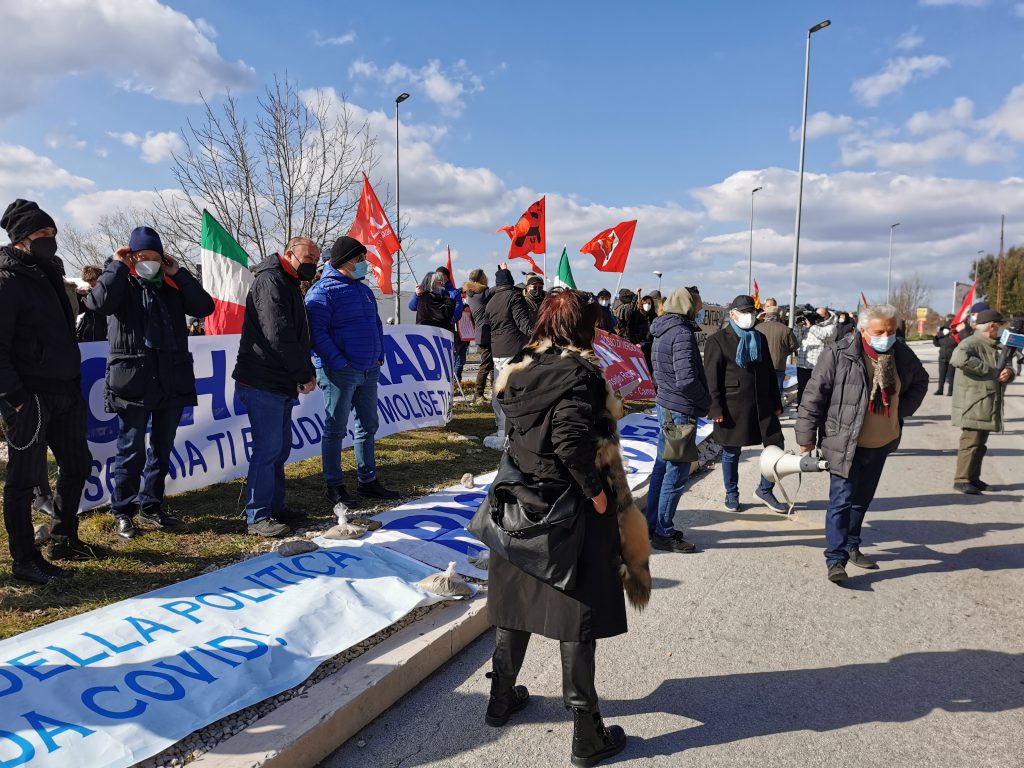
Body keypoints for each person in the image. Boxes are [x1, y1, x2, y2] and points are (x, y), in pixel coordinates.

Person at [486, 289, 650, 767]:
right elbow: (571, 442)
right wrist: (598, 495)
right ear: (582, 327)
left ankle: (500, 699)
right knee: (577, 616)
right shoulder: (579, 374)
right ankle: (586, 733)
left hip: (519, 502)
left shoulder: (519, 366)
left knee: (514, 602)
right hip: (568, 509)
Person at [85, 227, 215, 539]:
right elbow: (97, 303)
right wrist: (115, 265)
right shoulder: (120, 284)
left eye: (155, 258)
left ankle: (152, 504)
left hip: (170, 379)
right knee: (131, 449)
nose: (149, 263)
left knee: (162, 447)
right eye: (142, 257)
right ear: (131, 257)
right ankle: (123, 510)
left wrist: (179, 273)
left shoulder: (171, 287)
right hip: (132, 382)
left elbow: (204, 308)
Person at [796, 304, 928, 583]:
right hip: (845, 442)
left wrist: (899, 410)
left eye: (892, 331)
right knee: (841, 501)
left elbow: (921, 381)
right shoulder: (838, 354)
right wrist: (805, 438)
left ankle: (852, 545)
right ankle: (836, 559)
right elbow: (813, 397)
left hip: (882, 443)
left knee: (862, 500)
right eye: (880, 331)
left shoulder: (900, 354)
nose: (887, 336)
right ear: (863, 330)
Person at [0, 199, 96, 583]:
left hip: (64, 391)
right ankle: (24, 559)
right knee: (23, 481)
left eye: (53, 234)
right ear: (22, 238)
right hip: (30, 398)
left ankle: (63, 537)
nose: (51, 240)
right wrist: (18, 398)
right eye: (43, 234)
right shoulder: (7, 280)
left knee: (78, 465)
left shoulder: (50, 274)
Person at [232, 237, 321, 537]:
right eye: (308, 256)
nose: (312, 262)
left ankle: (274, 506)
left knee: (279, 448)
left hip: (277, 381)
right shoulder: (271, 282)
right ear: (289, 254)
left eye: (316, 258)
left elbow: (294, 335)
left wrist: (302, 371)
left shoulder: (288, 282)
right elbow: (278, 334)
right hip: (262, 381)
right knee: (268, 449)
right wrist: (302, 373)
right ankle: (257, 515)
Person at [306, 236, 399, 506]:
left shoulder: (363, 289)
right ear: (344, 261)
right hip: (340, 372)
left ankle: (367, 480)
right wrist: (338, 361)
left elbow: (375, 325)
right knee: (335, 429)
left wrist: (379, 353)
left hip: (369, 369)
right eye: (359, 259)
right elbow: (317, 333)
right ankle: (333, 485)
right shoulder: (322, 291)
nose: (364, 264)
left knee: (367, 426)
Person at [704, 295, 786, 513]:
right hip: (733, 407)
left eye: (752, 312)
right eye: (744, 312)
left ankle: (765, 489)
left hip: (763, 404)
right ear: (733, 314)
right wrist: (716, 407)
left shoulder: (759, 338)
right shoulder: (718, 340)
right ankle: (732, 493)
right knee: (731, 452)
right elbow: (712, 378)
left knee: (776, 446)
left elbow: (769, 372)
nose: (749, 316)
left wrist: (777, 402)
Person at [645, 287, 710, 553]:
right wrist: (706, 403)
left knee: (662, 468)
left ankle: (652, 525)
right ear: (687, 305)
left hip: (667, 406)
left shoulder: (663, 329)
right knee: (676, 473)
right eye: (698, 305)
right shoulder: (681, 333)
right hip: (680, 411)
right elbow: (686, 380)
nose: (700, 309)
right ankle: (664, 532)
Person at [950, 309, 1014, 494]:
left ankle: (973, 478)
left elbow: (1006, 367)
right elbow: (958, 359)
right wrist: (991, 370)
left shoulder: (995, 344)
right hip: (974, 402)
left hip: (987, 402)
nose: (1003, 328)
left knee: (980, 444)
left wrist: (1007, 373)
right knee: (970, 443)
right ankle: (961, 479)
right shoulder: (972, 342)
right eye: (1001, 325)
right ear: (992, 326)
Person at [482, 265, 534, 449]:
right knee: (515, 392)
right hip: (514, 349)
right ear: (511, 282)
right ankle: (513, 433)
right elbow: (522, 322)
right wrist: (537, 334)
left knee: (499, 391)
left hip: (497, 350)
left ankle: (501, 430)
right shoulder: (514, 297)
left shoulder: (491, 301)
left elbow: (487, 326)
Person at [755, 299, 798, 397]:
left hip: (761, 364)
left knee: (762, 389)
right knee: (777, 390)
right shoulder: (785, 329)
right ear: (779, 315)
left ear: (765, 314)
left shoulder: (758, 328)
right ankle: (776, 410)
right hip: (779, 364)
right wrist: (784, 353)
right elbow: (794, 346)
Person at [795, 307, 838, 405]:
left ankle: (816, 411)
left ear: (826, 316)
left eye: (820, 316)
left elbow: (824, 335)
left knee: (817, 390)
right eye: (816, 315)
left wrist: (811, 326)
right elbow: (797, 339)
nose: (817, 317)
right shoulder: (810, 324)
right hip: (803, 364)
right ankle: (799, 410)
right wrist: (798, 326)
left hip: (818, 366)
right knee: (802, 388)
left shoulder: (831, 327)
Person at [464, 269, 494, 404]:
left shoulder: (472, 293)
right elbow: (499, 288)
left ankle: (492, 391)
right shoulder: (481, 294)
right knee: (486, 364)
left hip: (483, 332)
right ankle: (478, 394)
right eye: (485, 276)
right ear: (481, 279)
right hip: (485, 333)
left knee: (491, 364)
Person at [75, 265, 107, 342]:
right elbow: (79, 311)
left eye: (92, 280)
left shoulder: (107, 291)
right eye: (88, 281)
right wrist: (78, 296)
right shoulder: (88, 291)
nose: (90, 283)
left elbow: (102, 306)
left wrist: (90, 292)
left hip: (104, 333)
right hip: (88, 332)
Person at [932, 318, 958, 395]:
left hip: (952, 358)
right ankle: (940, 390)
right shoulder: (942, 334)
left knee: (951, 376)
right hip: (942, 358)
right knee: (942, 375)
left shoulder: (955, 334)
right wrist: (936, 337)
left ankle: (950, 391)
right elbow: (936, 344)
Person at [638, 294, 659, 374]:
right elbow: (631, 330)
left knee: (650, 366)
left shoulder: (654, 315)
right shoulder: (636, 315)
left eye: (649, 303)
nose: (647, 305)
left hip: (651, 345)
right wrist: (636, 341)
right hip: (639, 345)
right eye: (645, 303)